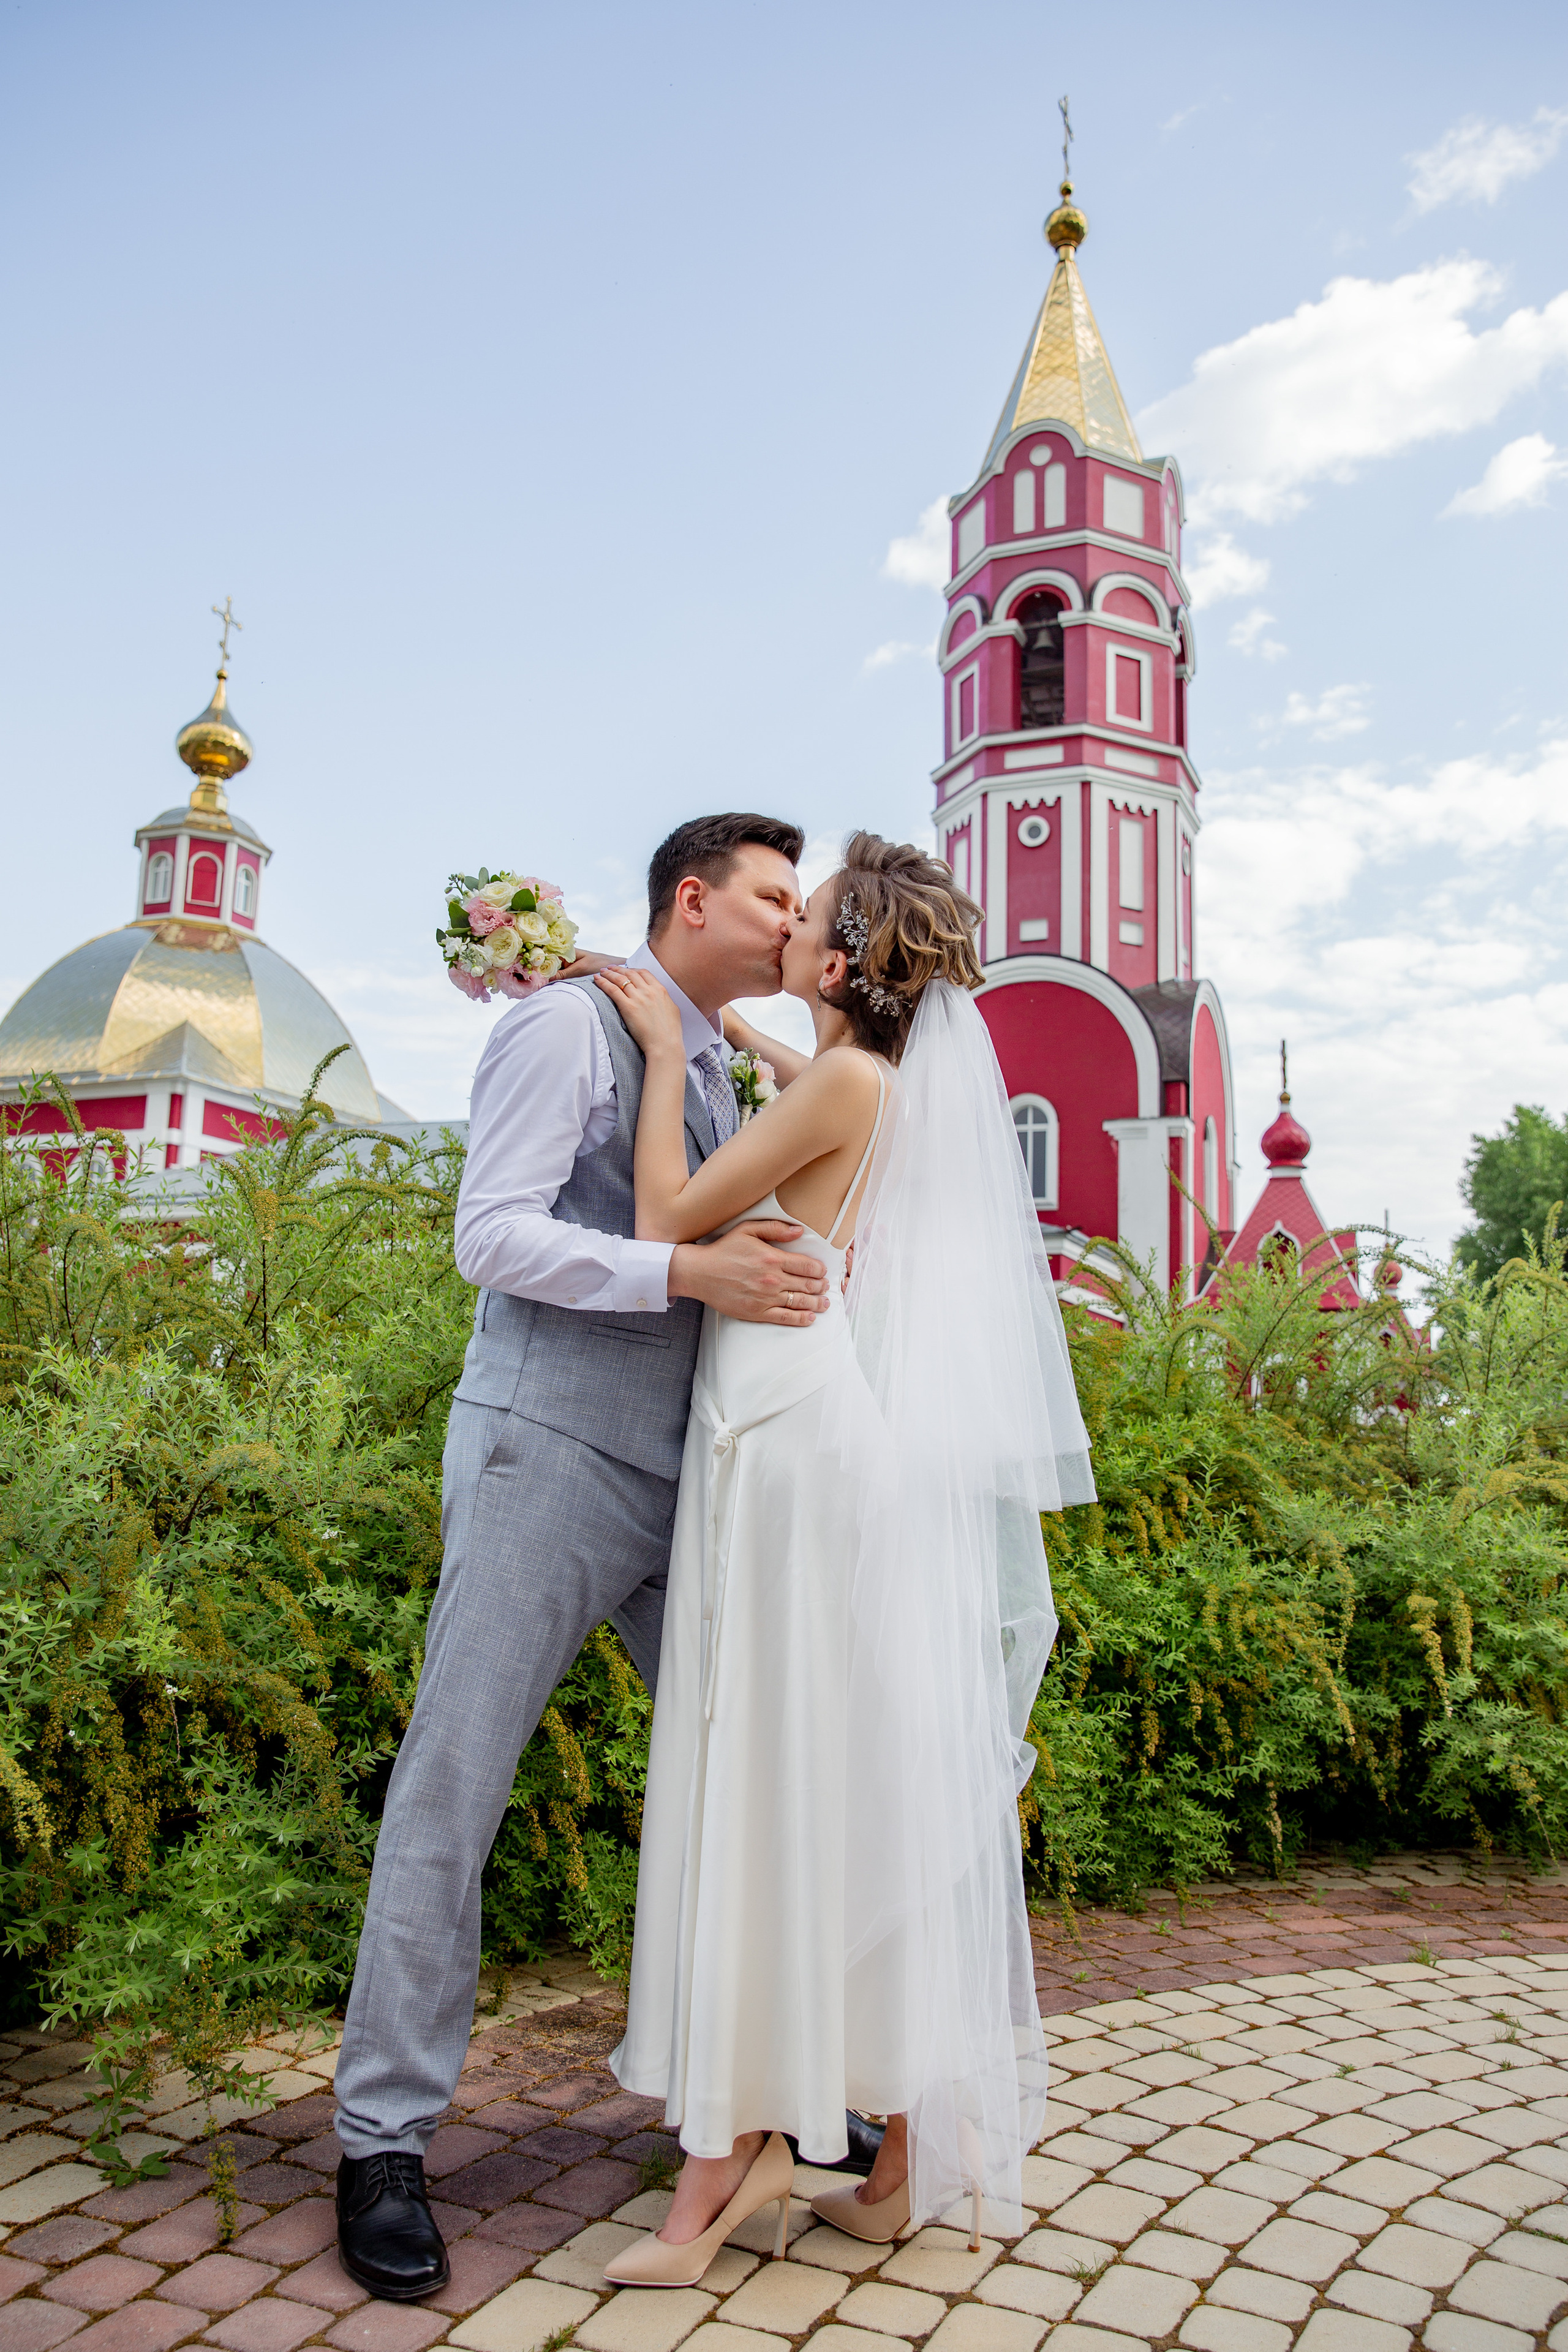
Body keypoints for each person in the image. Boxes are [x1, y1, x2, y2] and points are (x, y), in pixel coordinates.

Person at [333, 814, 849, 2301]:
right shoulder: (564, 1024)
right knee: (455, 1781)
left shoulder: (721, 1052)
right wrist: (682, 1269)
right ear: (694, 900)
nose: (793, 919)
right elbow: (487, 1235)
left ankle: (777, 2087)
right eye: (771, 897)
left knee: (754, 1773)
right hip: (543, 1451)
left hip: (693, 1477)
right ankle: (381, 2141)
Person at [591, 832, 1095, 2288]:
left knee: (762, 1779)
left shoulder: (844, 1080)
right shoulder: (866, 1081)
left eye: (801, 921)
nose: (782, 932)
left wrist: (660, 1055)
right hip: (802, 1417)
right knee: (814, 1784)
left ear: (846, 962)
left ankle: (732, 2152)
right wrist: (744, 1039)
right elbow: (805, 1130)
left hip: (784, 1435)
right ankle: (875, 2155)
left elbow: (663, 1220)